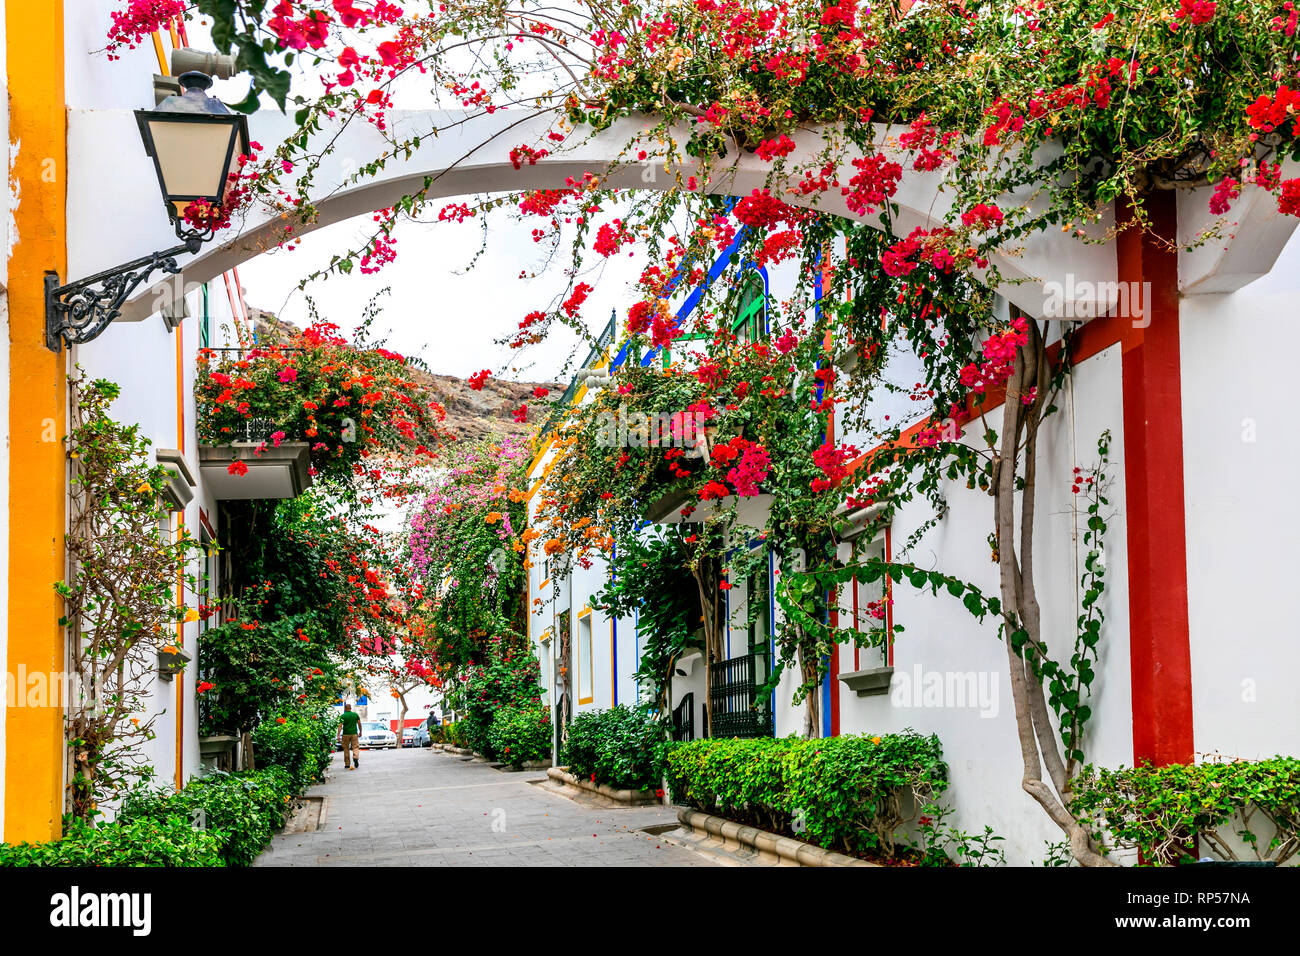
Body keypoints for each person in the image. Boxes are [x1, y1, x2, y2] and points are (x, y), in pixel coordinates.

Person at [340, 702, 361, 770]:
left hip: (345, 734)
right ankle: (355, 757)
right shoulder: (355, 715)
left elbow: (340, 726)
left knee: (346, 749)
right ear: (350, 708)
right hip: (354, 734)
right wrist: (360, 731)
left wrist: (338, 734)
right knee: (355, 747)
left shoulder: (343, 716)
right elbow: (359, 724)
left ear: (345, 708)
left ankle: (347, 764)